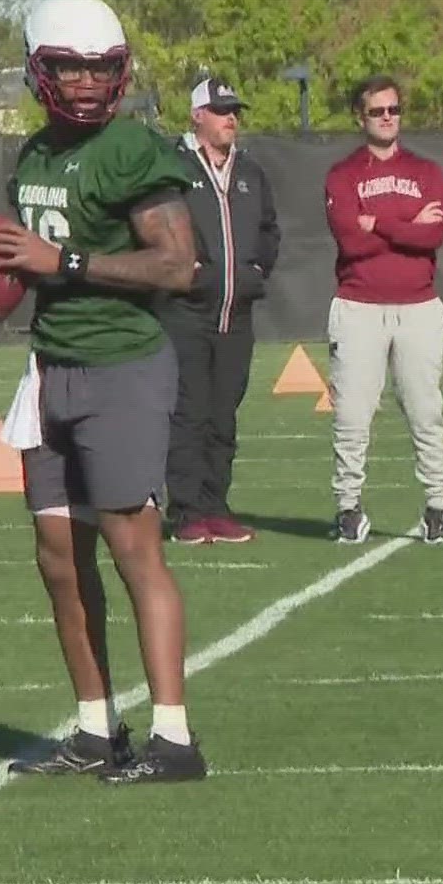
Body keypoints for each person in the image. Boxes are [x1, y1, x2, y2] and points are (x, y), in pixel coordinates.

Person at [0, 0, 208, 785]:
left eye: (99, 68)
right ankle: (94, 728)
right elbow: (24, 271)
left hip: (121, 368)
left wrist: (64, 265)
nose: (84, 83)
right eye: (69, 67)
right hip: (51, 368)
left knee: (134, 550)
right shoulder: (36, 156)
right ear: (40, 71)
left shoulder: (133, 150)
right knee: (58, 558)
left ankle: (173, 738)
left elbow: (178, 267)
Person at [322, 74, 443, 545]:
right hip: (358, 308)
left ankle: (438, 507)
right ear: (361, 117)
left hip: (419, 308)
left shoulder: (427, 172)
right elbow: (350, 241)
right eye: (378, 111)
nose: (387, 118)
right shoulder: (343, 174)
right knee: (352, 416)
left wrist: (378, 221)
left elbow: (433, 236)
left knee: (425, 412)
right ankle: (347, 509)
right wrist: (405, 225)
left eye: (394, 110)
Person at [160, 76, 280, 545]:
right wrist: (183, 269)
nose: (231, 118)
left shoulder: (250, 172)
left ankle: (216, 505)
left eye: (234, 110)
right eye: (221, 110)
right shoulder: (173, 167)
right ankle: (186, 511)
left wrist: (256, 269)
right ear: (197, 116)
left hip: (237, 310)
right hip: (186, 312)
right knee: (189, 412)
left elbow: (269, 230)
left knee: (224, 413)